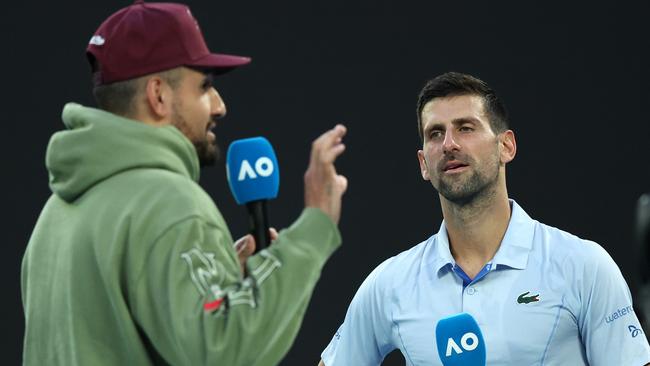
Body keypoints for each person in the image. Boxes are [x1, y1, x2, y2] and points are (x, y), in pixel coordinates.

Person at [21, 1, 348, 365]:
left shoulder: (54, 215)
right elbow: (222, 351)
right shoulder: (168, 203)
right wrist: (313, 228)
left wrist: (221, 286)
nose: (219, 105)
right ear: (158, 95)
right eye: (204, 86)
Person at [319, 72, 650, 365]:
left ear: (506, 146)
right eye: (435, 134)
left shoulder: (584, 265)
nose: (448, 144)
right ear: (423, 163)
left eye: (465, 128)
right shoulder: (390, 283)